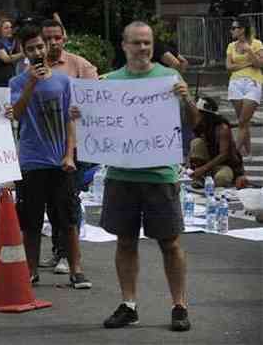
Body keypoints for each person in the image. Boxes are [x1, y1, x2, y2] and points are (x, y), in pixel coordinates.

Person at [71, 21, 199, 331]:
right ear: (124, 45)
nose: (143, 48)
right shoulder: (109, 82)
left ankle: (179, 305)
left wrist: (187, 99)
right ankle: (129, 304)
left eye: (147, 43)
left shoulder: (169, 78)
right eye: (137, 43)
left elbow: (195, 123)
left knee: (170, 243)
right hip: (121, 175)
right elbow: (93, 120)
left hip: (160, 175)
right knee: (125, 242)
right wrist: (79, 114)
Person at [10, 26, 92, 289]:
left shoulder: (64, 81)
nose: (36, 52)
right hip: (32, 161)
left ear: (46, 48)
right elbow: (17, 114)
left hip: (60, 162)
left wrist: (69, 155)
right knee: (31, 221)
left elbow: (71, 119)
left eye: (40, 47)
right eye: (31, 48)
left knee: (67, 219)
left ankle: (76, 269)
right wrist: (32, 82)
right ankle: (30, 270)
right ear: (24, 52)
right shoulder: (17, 83)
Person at [39, 18, 98, 275]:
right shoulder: (33, 67)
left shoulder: (80, 65)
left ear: (64, 39)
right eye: (47, 39)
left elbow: (97, 101)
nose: (52, 43)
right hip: (45, 145)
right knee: (51, 202)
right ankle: (58, 251)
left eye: (56, 38)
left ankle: (70, 257)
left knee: (68, 200)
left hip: (74, 145)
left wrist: (80, 109)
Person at [190, 96, 247, 188]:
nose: (196, 115)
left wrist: (203, 169)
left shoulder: (222, 128)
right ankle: (200, 177)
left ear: (205, 115)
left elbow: (223, 155)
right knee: (196, 142)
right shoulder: (201, 126)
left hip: (223, 166)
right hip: (207, 165)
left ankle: (207, 177)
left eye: (198, 113)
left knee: (221, 179)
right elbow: (195, 150)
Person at [226, 17, 263, 158]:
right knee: (243, 121)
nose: (232, 31)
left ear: (242, 30)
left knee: (242, 121)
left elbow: (260, 64)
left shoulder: (256, 43)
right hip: (235, 83)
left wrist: (250, 51)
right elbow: (229, 67)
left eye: (234, 28)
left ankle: (232, 154)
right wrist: (247, 64)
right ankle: (248, 153)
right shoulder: (231, 46)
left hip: (253, 82)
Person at [0, 17, 24, 86]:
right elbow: (6, 59)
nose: (10, 30)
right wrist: (23, 54)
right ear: (0, 31)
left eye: (11, 27)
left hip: (6, 81)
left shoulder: (10, 44)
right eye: (6, 28)